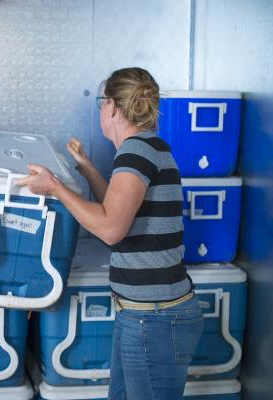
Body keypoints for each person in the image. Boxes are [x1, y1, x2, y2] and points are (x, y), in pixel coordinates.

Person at [17, 67, 203, 400]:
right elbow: (119, 209)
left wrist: (55, 188)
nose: (100, 109)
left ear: (113, 107)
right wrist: (86, 167)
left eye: (102, 103)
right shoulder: (149, 147)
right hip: (146, 314)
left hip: (154, 318)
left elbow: (112, 229)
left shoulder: (136, 151)